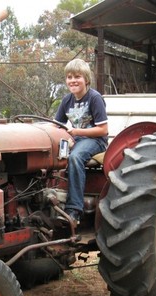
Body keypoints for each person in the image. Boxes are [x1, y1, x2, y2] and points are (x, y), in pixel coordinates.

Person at [55, 58, 108, 225]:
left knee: (75, 157)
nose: (73, 80)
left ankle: (74, 211)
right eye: (69, 77)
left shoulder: (94, 98)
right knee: (54, 154)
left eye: (77, 76)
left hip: (96, 140)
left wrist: (76, 132)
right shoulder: (67, 100)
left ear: (86, 79)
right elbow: (56, 125)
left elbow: (103, 130)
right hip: (77, 138)